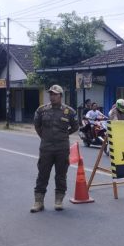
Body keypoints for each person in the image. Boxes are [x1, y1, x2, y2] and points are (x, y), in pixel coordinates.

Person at [31, 85, 79, 213]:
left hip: (62, 148)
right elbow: (37, 126)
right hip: (46, 148)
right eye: (50, 94)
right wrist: (45, 138)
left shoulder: (70, 112)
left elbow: (75, 127)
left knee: (61, 175)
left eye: (55, 94)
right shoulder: (42, 110)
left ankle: (59, 200)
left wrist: (63, 135)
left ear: (60, 96)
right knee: (42, 174)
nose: (52, 96)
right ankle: (38, 201)